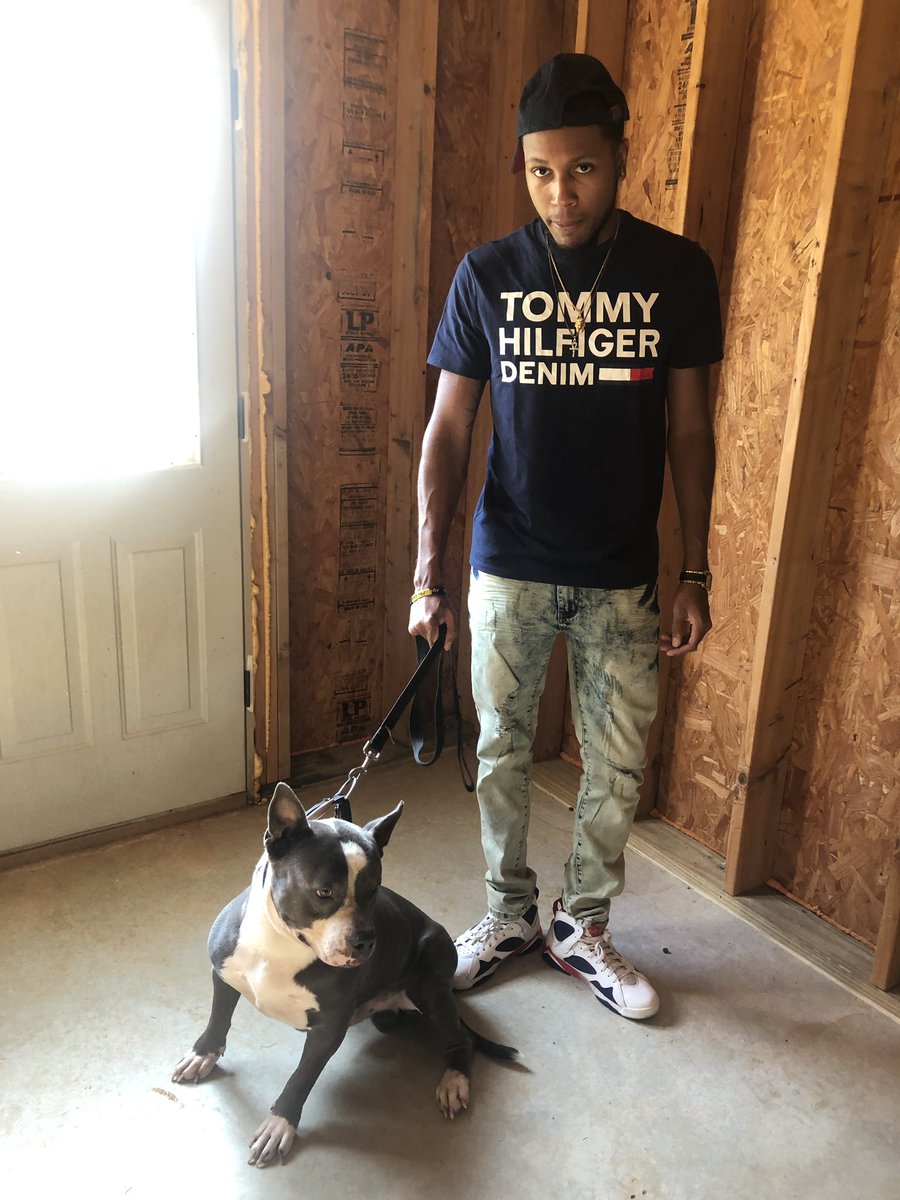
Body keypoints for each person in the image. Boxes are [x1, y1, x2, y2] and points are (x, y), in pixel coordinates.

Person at [408, 53, 722, 1020]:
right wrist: (428, 573)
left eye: (581, 168)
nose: (561, 193)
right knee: (500, 751)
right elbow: (449, 427)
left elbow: (690, 430)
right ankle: (507, 913)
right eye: (541, 171)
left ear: (619, 156)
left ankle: (581, 927)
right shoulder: (488, 275)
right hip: (510, 562)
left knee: (616, 764)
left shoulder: (675, 272)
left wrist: (695, 568)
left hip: (624, 572)